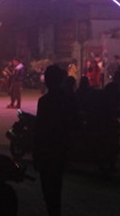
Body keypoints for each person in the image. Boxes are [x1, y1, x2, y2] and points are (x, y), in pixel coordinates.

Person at [33, 64, 79, 216]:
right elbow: (73, 125)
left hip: (46, 151)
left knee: (48, 191)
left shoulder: (44, 102)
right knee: (56, 188)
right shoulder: (68, 100)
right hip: (60, 150)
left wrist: (36, 153)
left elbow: (39, 129)